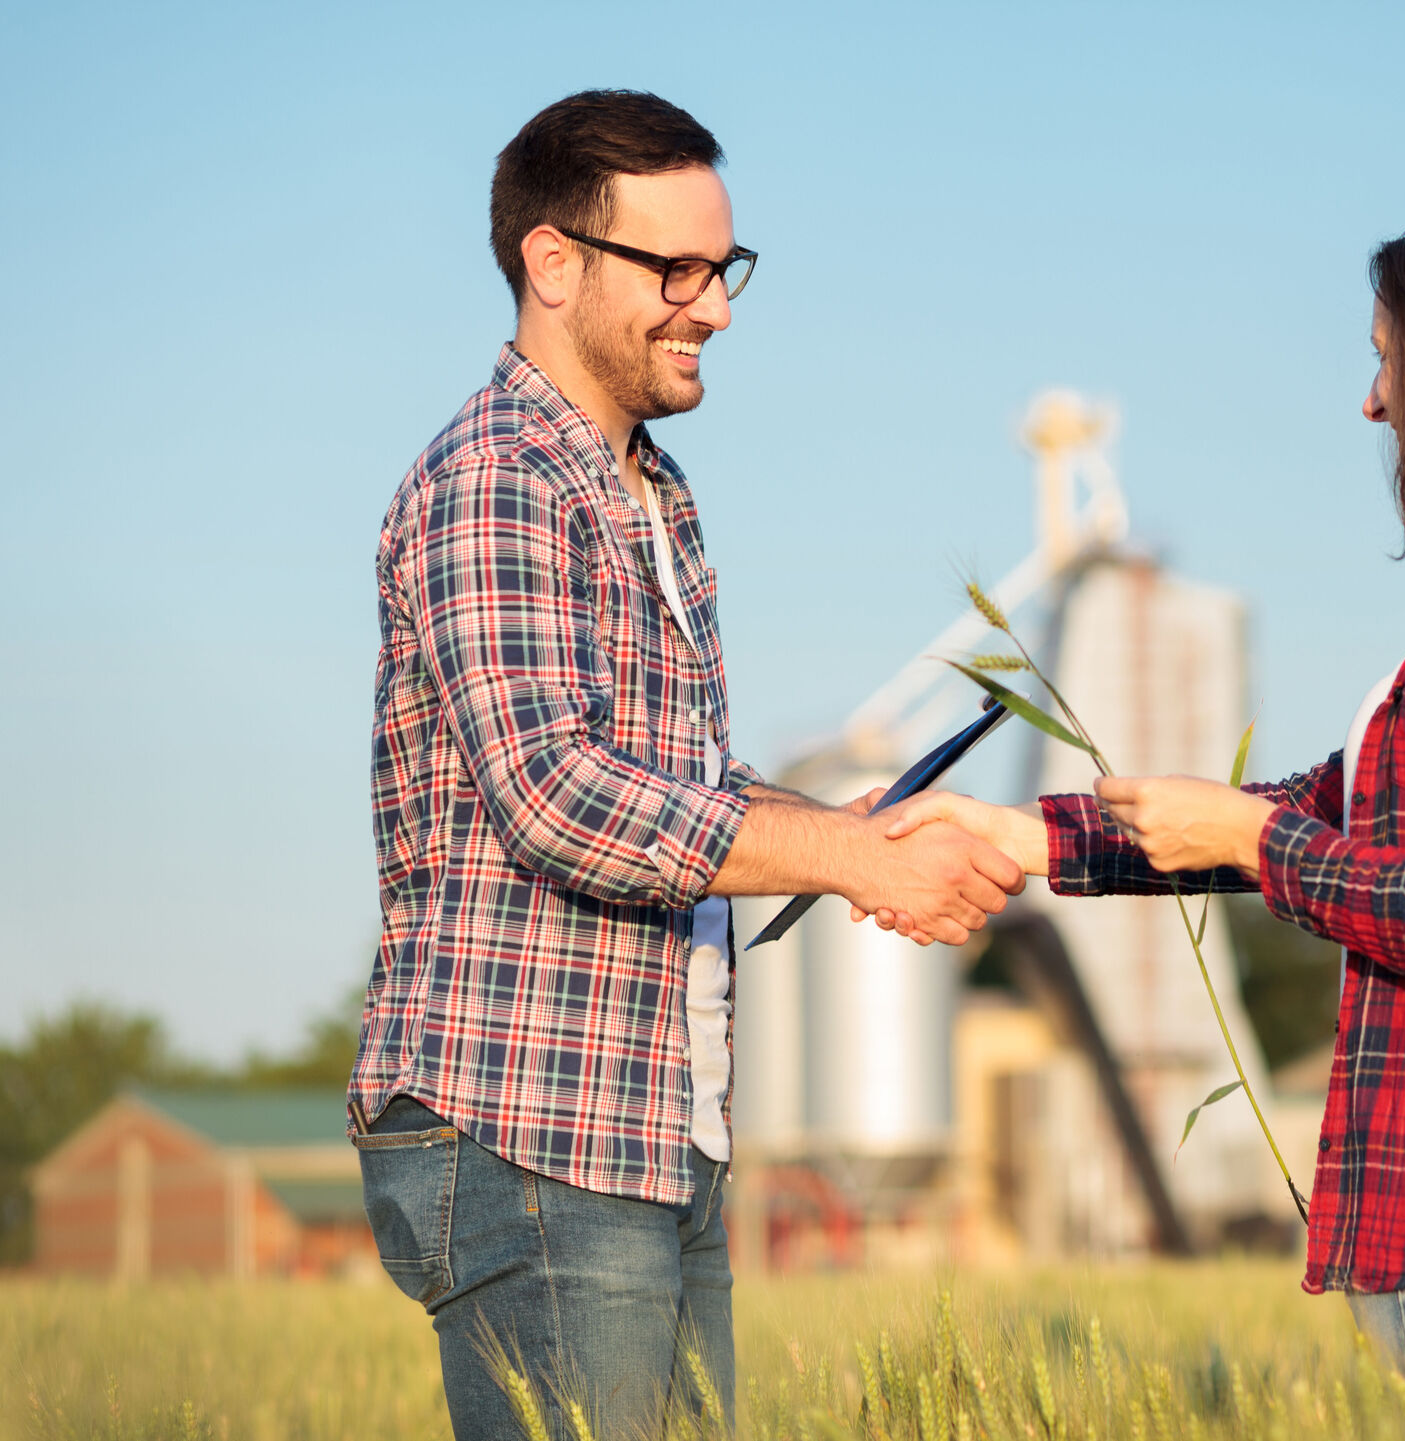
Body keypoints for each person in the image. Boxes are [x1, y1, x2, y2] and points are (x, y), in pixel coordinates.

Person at [882, 200, 1405, 1409]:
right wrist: (1029, 838)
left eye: (1387, 360)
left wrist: (1261, 845)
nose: (1373, 404)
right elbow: (1336, 801)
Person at [349, 90, 1024, 1440]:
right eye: (678, 271)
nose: (716, 307)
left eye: (726, 270)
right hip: (533, 1117)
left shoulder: (650, 493)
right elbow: (560, 796)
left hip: (658, 1116)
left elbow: (678, 778)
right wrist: (844, 857)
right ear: (554, 265)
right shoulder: (498, 476)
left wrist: (852, 832)